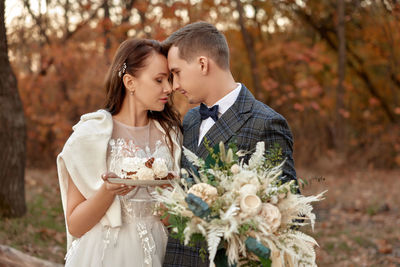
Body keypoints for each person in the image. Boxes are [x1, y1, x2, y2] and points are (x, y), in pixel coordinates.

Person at [161, 22, 298, 267]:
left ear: (203, 64)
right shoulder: (191, 119)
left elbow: (289, 213)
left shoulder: (266, 123)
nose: (173, 85)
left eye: (177, 72)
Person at [57, 38, 182, 267]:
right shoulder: (90, 136)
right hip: (106, 253)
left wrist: (168, 197)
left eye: (170, 79)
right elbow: (75, 225)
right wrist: (107, 191)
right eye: (159, 80)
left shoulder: (171, 135)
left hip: (161, 251)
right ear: (129, 82)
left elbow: (173, 222)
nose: (168, 88)